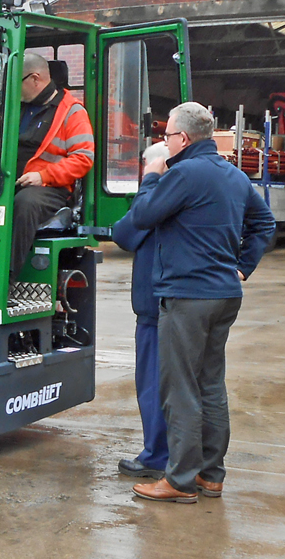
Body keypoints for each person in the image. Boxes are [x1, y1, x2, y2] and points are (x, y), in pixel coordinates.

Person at [128, 102, 275, 504]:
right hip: (224, 295)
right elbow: (264, 223)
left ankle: (179, 480)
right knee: (210, 384)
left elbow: (143, 216)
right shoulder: (233, 175)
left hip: (187, 296)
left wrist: (152, 178)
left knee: (180, 389)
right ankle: (211, 475)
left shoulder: (184, 174)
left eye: (168, 135)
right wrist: (242, 267)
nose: (165, 142)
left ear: (184, 138)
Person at [0, 52, 94, 286]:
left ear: (35, 79)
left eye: (16, 82)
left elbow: (83, 159)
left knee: (25, 203)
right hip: (10, 180)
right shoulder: (14, 110)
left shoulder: (72, 112)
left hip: (51, 187)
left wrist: (43, 176)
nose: (12, 89)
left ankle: (5, 279)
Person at [112, 140, 172, 480]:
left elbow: (123, 232)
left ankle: (156, 456)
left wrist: (150, 181)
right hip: (191, 303)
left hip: (154, 306)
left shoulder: (157, 197)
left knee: (152, 384)